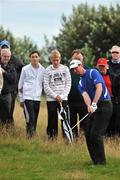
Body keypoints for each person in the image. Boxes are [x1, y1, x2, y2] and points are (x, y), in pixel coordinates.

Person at [70, 59, 113, 165]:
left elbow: (99, 88)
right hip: (95, 106)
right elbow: (85, 96)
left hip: (105, 105)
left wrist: (94, 103)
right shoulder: (80, 83)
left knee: (96, 134)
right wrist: (89, 106)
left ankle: (101, 162)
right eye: (73, 69)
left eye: (76, 68)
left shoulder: (93, 72)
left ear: (81, 65)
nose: (75, 70)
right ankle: (95, 160)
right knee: (88, 133)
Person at [44, 49, 71, 140]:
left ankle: (66, 139)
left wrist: (62, 96)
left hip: (63, 99)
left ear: (60, 59)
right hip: (51, 99)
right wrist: (55, 96)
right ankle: (52, 139)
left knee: (64, 119)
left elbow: (68, 84)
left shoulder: (65, 69)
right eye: (53, 60)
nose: (55, 62)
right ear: (51, 60)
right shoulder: (48, 70)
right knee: (52, 120)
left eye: (57, 60)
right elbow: (46, 86)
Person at [18, 50, 45, 138]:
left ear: (39, 58)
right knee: (31, 117)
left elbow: (44, 83)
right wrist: (21, 99)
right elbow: (20, 85)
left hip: (37, 98)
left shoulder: (43, 70)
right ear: (30, 58)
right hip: (27, 97)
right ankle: (31, 136)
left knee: (34, 118)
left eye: (36, 56)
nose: (34, 58)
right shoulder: (25, 69)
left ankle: (30, 135)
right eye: (32, 57)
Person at [0, 40, 24, 126]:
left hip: (12, 90)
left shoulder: (15, 60)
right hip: (1, 90)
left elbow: (22, 70)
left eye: (6, 47)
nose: (5, 48)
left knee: (9, 112)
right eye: (3, 47)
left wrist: (17, 83)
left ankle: (9, 129)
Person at [68, 49, 88, 140]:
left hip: (84, 101)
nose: (77, 60)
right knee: (72, 122)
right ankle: (73, 139)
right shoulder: (68, 71)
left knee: (84, 122)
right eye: (75, 58)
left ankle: (83, 140)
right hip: (70, 101)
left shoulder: (87, 70)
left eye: (79, 58)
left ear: (82, 59)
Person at [96, 58, 115, 136]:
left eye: (103, 66)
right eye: (100, 67)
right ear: (97, 66)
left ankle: (112, 136)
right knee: (102, 120)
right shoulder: (95, 75)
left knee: (113, 119)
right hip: (100, 101)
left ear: (106, 66)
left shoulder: (112, 75)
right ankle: (103, 135)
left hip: (112, 100)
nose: (101, 69)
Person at [0, 49, 17, 128]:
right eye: (4, 56)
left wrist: (4, 72)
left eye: (8, 56)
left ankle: (7, 132)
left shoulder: (12, 67)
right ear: (1, 56)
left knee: (7, 114)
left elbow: (12, 79)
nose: (6, 58)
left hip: (6, 95)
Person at [108, 45, 120, 136]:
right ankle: (109, 139)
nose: (115, 54)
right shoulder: (107, 65)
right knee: (109, 119)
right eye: (113, 52)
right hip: (109, 96)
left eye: (117, 52)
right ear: (110, 53)